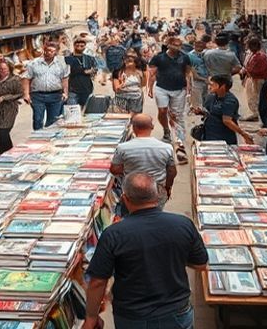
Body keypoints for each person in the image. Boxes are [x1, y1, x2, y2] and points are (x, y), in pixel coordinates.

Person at [82, 173, 208, 329]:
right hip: (177, 313)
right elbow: (202, 264)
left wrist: (91, 317)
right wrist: (173, 257)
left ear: (125, 198)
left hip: (132, 317)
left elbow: (98, 282)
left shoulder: (113, 234)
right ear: (157, 196)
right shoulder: (183, 224)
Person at [110, 115, 176, 209]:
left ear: (133, 128)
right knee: (155, 213)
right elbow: (171, 171)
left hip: (132, 190)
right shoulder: (167, 148)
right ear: (152, 127)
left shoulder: (122, 148)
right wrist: (168, 187)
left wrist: (129, 169)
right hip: (157, 189)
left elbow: (114, 169)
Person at [147, 36, 192, 160]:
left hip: (179, 89)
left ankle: (179, 141)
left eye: (179, 45)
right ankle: (166, 130)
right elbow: (152, 74)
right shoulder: (159, 58)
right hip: (162, 88)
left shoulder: (184, 57)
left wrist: (188, 85)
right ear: (168, 45)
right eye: (175, 45)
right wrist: (149, 88)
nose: (178, 47)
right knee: (162, 111)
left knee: (177, 115)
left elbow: (187, 72)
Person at [192, 75, 253, 145]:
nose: (209, 87)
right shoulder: (211, 97)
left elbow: (227, 121)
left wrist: (243, 134)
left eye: (212, 85)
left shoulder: (230, 101)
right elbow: (211, 112)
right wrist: (201, 112)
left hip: (223, 136)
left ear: (222, 86)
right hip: (209, 134)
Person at [22, 41, 69, 130]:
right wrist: (26, 94)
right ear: (44, 50)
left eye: (52, 51)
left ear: (56, 52)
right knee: (38, 119)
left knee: (53, 121)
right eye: (47, 50)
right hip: (38, 95)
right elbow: (26, 78)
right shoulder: (34, 63)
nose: (49, 53)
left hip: (55, 95)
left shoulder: (61, 64)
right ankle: (37, 139)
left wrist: (65, 92)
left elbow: (64, 79)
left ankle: (50, 140)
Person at [241, 37, 267, 121]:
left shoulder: (260, 56)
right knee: (252, 97)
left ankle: (257, 114)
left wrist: (246, 70)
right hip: (253, 78)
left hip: (258, 79)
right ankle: (255, 113)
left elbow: (256, 70)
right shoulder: (253, 55)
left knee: (256, 97)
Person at [65, 37, 97, 108]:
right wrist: (83, 71)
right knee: (72, 112)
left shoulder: (89, 58)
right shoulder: (68, 58)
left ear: (85, 46)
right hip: (73, 89)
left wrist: (92, 71)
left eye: (82, 46)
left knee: (86, 112)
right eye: (77, 46)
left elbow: (95, 68)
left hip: (86, 88)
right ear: (74, 46)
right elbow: (68, 71)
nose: (79, 47)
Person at [187, 40, 209, 109]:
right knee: (198, 102)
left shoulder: (206, 53)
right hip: (197, 80)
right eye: (198, 46)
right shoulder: (190, 55)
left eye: (201, 46)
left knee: (205, 98)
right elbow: (193, 74)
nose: (200, 48)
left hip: (206, 78)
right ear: (194, 46)